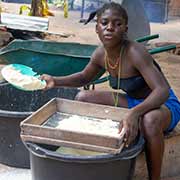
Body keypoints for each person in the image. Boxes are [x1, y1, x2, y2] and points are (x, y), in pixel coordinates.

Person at [41, 2, 180, 180]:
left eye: (117, 24)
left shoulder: (135, 52)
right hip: (133, 101)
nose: (110, 28)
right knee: (83, 97)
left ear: (125, 29)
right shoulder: (100, 54)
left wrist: (134, 113)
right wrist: (55, 81)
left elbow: (162, 91)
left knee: (149, 120)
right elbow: (84, 78)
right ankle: (88, 155)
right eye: (104, 23)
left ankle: (155, 178)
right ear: (97, 28)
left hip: (163, 105)